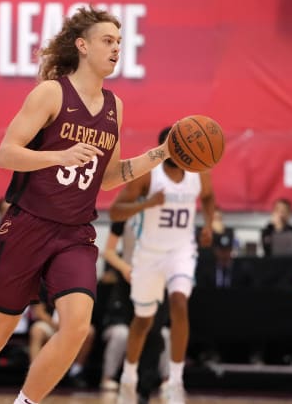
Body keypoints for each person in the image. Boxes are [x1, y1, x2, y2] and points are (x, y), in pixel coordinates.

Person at [0, 7, 172, 404]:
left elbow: (108, 176)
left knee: (77, 325)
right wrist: (57, 156)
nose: (117, 48)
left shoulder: (114, 107)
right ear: (82, 46)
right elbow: (5, 154)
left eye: (120, 41)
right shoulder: (51, 93)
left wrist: (160, 153)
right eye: (108, 40)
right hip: (30, 223)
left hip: (75, 233)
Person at [110, 127, 215, 404]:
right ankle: (128, 377)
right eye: (177, 147)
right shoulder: (148, 174)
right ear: (166, 149)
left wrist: (208, 224)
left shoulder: (198, 170)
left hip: (181, 251)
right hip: (149, 255)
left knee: (179, 302)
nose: (183, 152)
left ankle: (175, 382)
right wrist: (147, 204)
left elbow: (208, 197)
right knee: (143, 321)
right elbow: (115, 210)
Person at [100, 219, 170, 393]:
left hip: (157, 279)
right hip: (130, 280)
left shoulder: (165, 208)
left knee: (155, 333)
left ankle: (148, 383)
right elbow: (108, 251)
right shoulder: (125, 210)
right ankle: (129, 378)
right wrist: (125, 269)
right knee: (135, 330)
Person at [27, 301, 94, 388]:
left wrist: (69, 326)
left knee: (89, 331)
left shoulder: (77, 290)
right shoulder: (43, 288)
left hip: (72, 326)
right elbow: (39, 312)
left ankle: (76, 372)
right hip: (51, 324)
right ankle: (35, 374)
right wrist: (56, 325)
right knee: (37, 331)